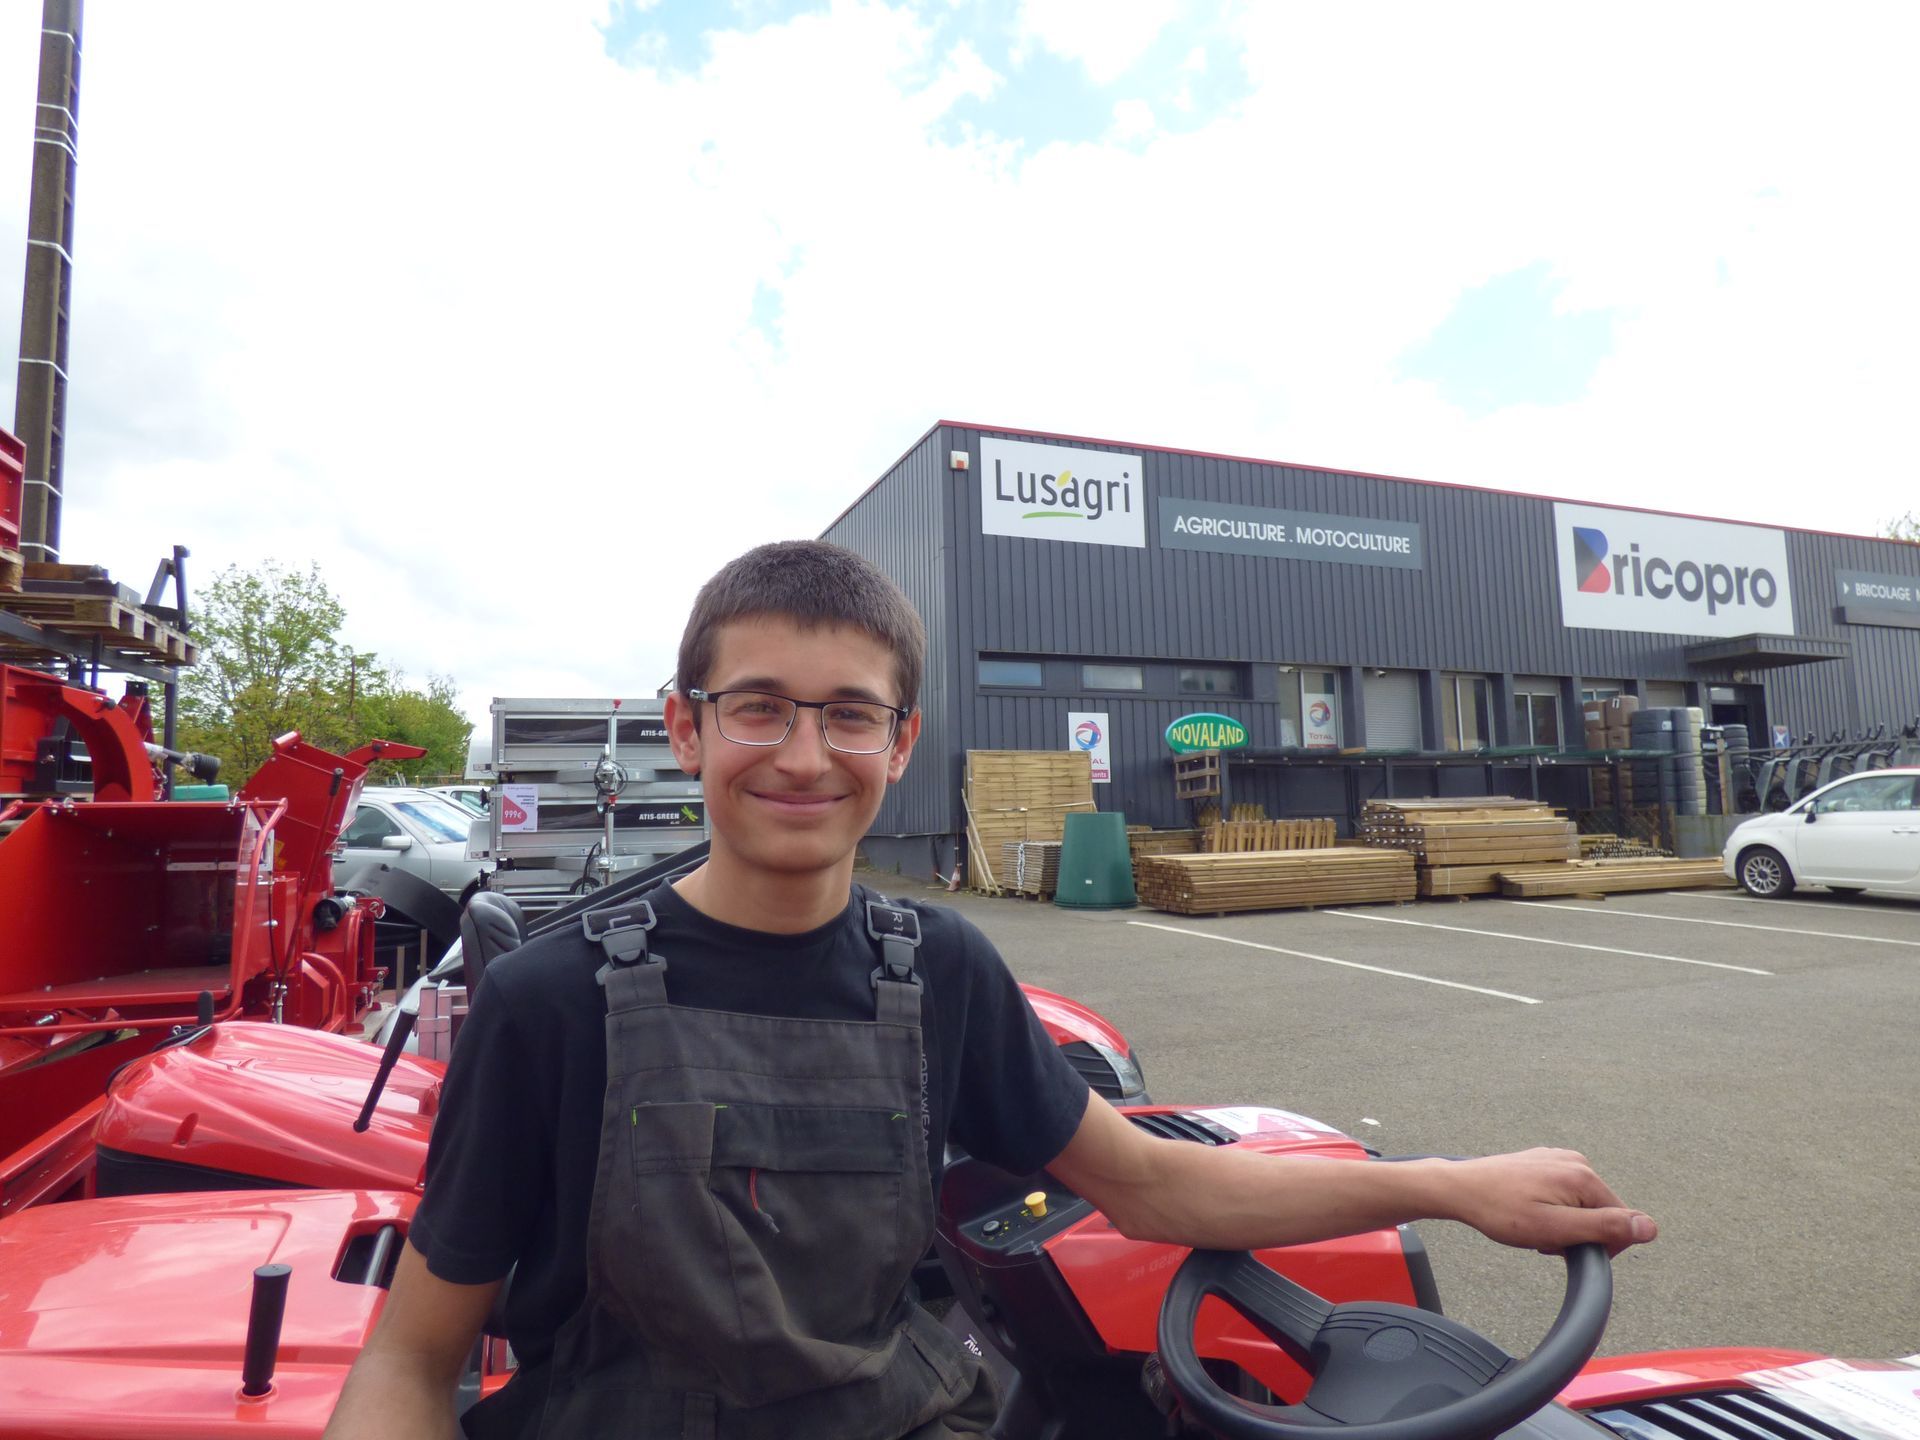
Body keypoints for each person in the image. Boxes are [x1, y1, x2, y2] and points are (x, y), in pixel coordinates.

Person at [324, 540, 1656, 1440]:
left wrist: (1447, 1183)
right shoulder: (553, 1002)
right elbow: (411, 1358)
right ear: (687, 726)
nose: (804, 753)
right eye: (759, 707)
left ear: (900, 742)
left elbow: (1158, 1185)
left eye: (849, 713)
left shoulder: (937, 967)